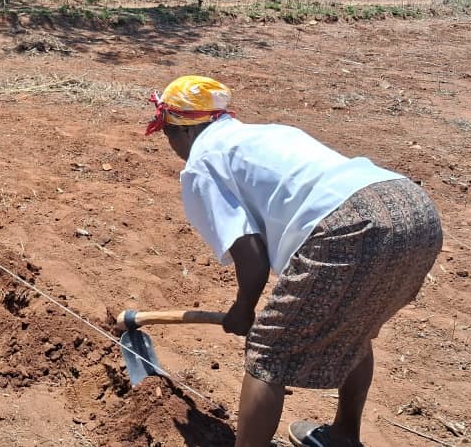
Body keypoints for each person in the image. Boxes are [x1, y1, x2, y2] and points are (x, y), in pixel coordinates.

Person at [140, 76, 442, 447]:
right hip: (412, 208)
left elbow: (250, 258)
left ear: (178, 129)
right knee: (355, 329)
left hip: (349, 226)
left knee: (268, 354)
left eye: (167, 136)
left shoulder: (203, 162)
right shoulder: (265, 134)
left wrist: (243, 310)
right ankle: (343, 437)